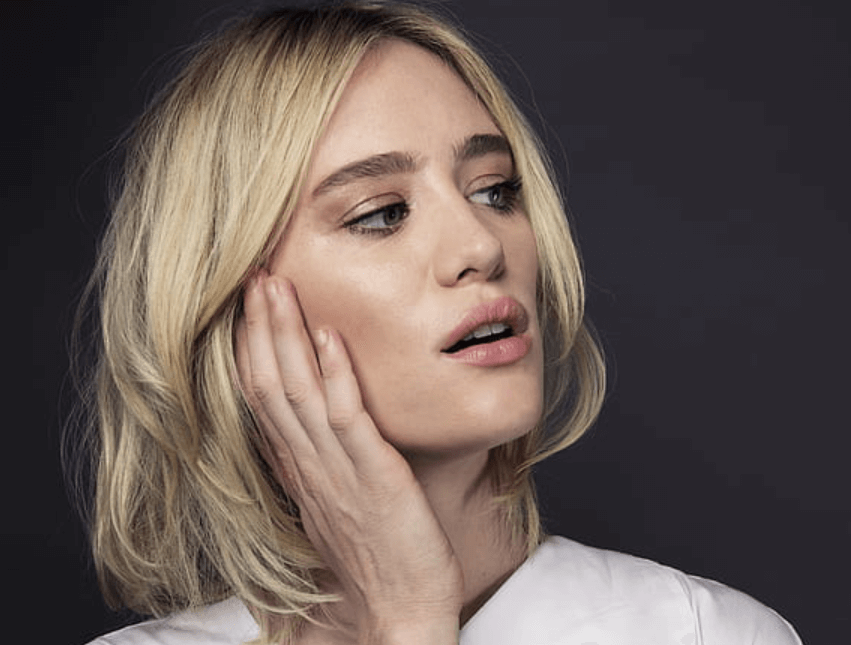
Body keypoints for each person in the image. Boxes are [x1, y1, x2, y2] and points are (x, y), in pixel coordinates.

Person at [70, 2, 803, 644]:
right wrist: (408, 617)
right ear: (232, 301)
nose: (481, 247)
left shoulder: (702, 633)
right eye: (381, 213)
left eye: (494, 190)